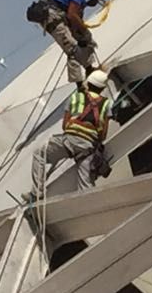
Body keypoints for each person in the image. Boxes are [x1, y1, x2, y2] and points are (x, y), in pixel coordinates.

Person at [30, 68, 111, 199]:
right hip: (88, 148)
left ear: (88, 83)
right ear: (102, 89)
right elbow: (103, 134)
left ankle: (37, 193)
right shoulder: (106, 104)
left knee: (39, 154)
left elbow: (65, 125)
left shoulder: (75, 97)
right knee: (85, 186)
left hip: (69, 141)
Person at [28, 0, 104, 84]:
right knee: (73, 49)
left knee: (85, 38)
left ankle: (89, 69)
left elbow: (65, 4)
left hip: (52, 15)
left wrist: (85, 4)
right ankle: (80, 85)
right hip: (54, 18)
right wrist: (82, 30)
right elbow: (72, 14)